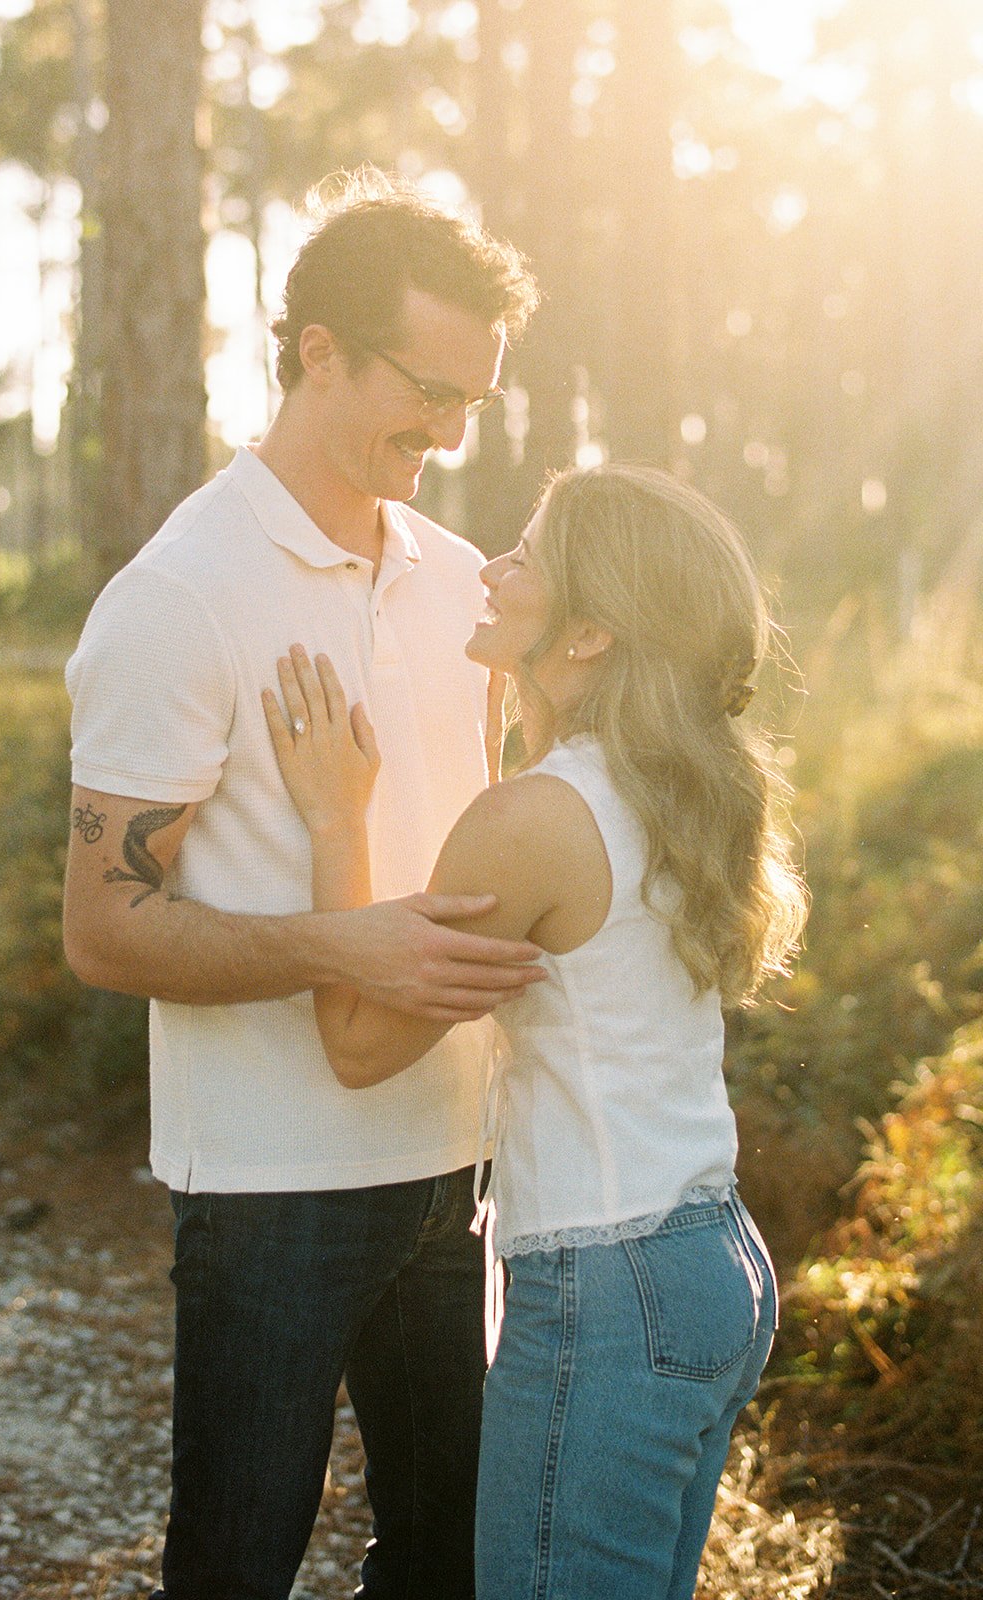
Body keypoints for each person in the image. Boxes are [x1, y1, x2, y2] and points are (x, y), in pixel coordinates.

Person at [62, 169, 540, 1600]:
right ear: (315, 348)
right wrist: (349, 949)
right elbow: (101, 926)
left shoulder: (462, 580)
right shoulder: (179, 596)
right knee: (235, 1563)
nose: (451, 435)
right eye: (426, 390)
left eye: (474, 403)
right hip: (272, 1184)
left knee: (450, 1559)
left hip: (462, 1162)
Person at [263, 463, 809, 1600]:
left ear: (592, 631)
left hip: (610, 1291)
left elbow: (359, 1045)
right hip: (712, 1262)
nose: (491, 568)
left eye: (526, 555)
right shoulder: (665, 787)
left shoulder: (530, 820)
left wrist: (332, 815)